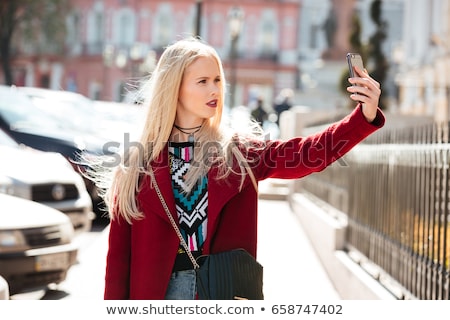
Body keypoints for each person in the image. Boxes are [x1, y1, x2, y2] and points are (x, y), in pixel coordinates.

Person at [95, 37, 384, 300]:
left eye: (218, 80)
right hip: (155, 297)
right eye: (203, 81)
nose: (215, 90)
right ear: (175, 88)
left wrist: (363, 117)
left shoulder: (237, 153)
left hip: (223, 291)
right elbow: (118, 262)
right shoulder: (137, 166)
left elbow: (307, 154)